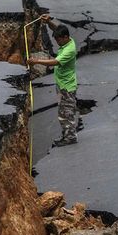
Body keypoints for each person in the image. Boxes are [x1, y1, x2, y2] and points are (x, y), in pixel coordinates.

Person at [26, 14, 79, 147]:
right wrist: (49, 21)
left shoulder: (69, 50)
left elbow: (55, 62)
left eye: (58, 41)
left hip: (67, 87)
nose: (57, 43)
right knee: (63, 111)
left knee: (66, 112)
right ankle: (67, 134)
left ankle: (70, 137)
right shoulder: (68, 40)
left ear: (65, 38)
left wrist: (36, 61)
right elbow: (57, 29)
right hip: (62, 85)